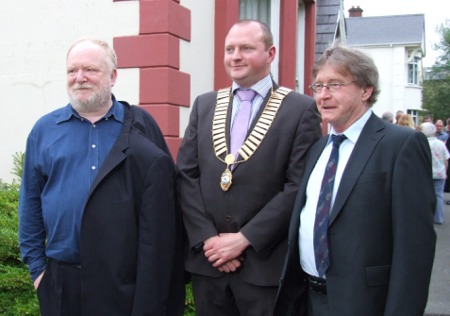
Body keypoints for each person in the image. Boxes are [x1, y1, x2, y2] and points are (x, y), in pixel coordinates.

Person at [18, 38, 185, 316]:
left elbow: (165, 205)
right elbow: (31, 203)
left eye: (90, 70)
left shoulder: (141, 127)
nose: (79, 78)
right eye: (72, 71)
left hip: (123, 284)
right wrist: (39, 272)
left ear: (113, 76)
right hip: (61, 282)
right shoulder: (44, 130)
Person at [274, 45, 436, 316]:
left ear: (366, 90)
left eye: (335, 85)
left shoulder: (401, 145)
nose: (323, 95)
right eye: (319, 86)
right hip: (307, 300)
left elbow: (415, 250)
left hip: (364, 304)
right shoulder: (319, 149)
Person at [176, 20, 322, 316]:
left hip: (263, 266)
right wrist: (209, 241)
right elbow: (186, 176)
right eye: (230, 49)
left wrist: (244, 240)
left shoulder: (299, 109)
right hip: (210, 264)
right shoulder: (205, 105)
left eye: (246, 48)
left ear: (271, 53)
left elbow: (298, 186)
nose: (235, 56)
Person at [421, 122, 450, 224]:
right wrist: (444, 170)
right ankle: (439, 218)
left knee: (425, 195)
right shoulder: (440, 144)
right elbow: (446, 159)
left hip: (426, 173)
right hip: (440, 172)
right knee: (439, 196)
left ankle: (426, 217)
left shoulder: (422, 144)